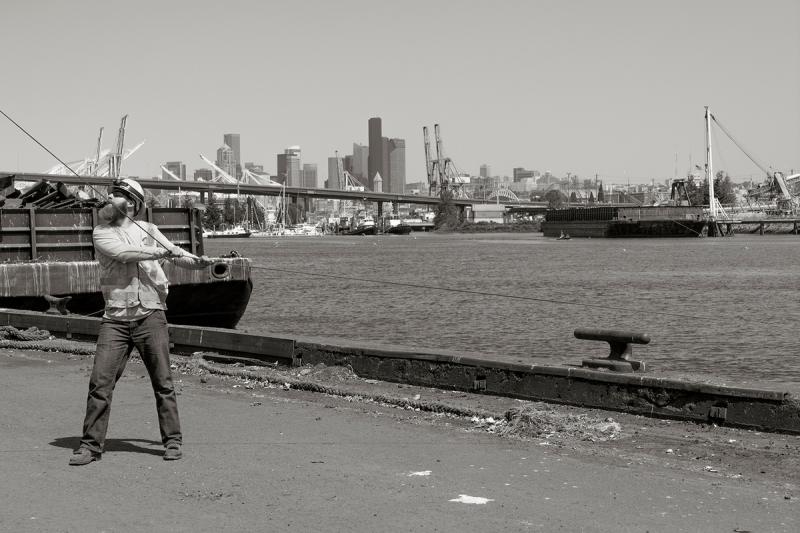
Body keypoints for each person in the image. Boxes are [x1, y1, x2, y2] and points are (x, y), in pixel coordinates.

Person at [69, 178, 213, 466]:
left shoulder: (149, 230)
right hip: (116, 319)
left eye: (116, 196)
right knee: (100, 383)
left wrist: (198, 262)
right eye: (110, 195)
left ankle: (172, 442)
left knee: (163, 382)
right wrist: (162, 253)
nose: (109, 199)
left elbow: (177, 254)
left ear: (131, 204)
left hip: (151, 314)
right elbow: (124, 255)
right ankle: (89, 446)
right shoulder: (101, 233)